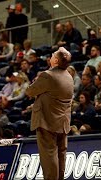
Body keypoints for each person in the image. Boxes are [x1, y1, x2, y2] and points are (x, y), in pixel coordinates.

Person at [25, 47, 74, 180]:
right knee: (61, 155)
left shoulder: (48, 75)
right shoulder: (69, 76)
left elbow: (29, 91)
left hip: (47, 121)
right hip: (62, 122)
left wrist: (37, 82)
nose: (50, 56)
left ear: (56, 60)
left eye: (52, 55)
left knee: (49, 156)